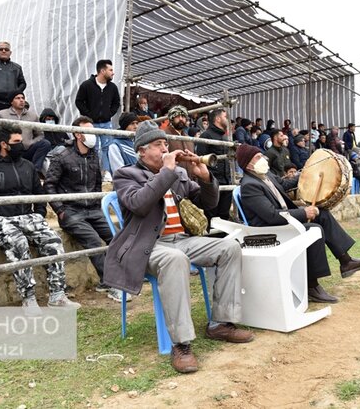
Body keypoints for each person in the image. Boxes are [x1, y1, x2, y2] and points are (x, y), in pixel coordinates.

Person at [104, 121, 254, 374]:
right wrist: (167, 172)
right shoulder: (126, 175)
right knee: (174, 259)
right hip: (148, 245)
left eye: (165, 143)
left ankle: (220, 323)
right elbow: (138, 204)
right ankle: (181, 343)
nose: (165, 148)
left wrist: (205, 177)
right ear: (141, 151)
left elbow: (209, 203)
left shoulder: (178, 174)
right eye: (157, 145)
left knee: (229, 247)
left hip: (183, 239)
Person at [236, 144, 360, 304]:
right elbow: (271, 216)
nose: (263, 159)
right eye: (258, 157)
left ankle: (346, 262)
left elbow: (283, 185)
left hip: (284, 222)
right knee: (313, 229)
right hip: (271, 231)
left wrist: (308, 174)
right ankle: (311, 285)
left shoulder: (265, 175)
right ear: (248, 163)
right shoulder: (249, 186)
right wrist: (304, 213)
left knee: (322, 214)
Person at [0, 126, 80, 315]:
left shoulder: (28, 166)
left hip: (28, 217)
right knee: (19, 244)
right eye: (16, 142)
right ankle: (28, 298)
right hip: (1, 219)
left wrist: (39, 213)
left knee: (53, 241)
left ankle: (58, 295)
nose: (21, 145)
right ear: (4, 144)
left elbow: (39, 194)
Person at [44, 116, 124, 300]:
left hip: (93, 210)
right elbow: (49, 185)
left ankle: (125, 277)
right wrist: (61, 210)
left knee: (117, 237)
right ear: (77, 134)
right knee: (94, 242)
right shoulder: (62, 156)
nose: (93, 134)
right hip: (71, 212)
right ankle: (110, 283)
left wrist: (96, 204)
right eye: (88, 130)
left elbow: (97, 182)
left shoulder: (95, 155)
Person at [74, 59, 121, 180]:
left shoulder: (112, 87)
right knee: (91, 148)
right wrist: (89, 116)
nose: (113, 73)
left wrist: (109, 114)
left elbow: (117, 103)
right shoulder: (87, 85)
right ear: (102, 71)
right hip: (91, 125)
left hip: (106, 123)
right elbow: (79, 101)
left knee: (107, 148)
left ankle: (106, 174)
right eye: (110, 70)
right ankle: (92, 174)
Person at [0, 92, 51, 173]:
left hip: (27, 149)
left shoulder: (33, 116)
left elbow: (40, 134)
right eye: (18, 98)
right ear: (11, 101)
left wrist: (31, 142)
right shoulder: (2, 114)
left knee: (45, 144)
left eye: (23, 98)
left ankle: (35, 171)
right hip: (10, 150)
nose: (21, 100)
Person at [196, 108, 233, 222]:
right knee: (212, 215)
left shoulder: (224, 136)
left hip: (226, 180)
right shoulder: (206, 135)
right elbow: (201, 158)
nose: (227, 120)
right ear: (217, 119)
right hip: (213, 182)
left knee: (224, 214)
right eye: (225, 117)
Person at [165, 105, 197, 178]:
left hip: (189, 181)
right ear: (171, 118)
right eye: (177, 116)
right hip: (172, 180)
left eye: (183, 116)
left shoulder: (189, 139)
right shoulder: (164, 136)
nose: (181, 119)